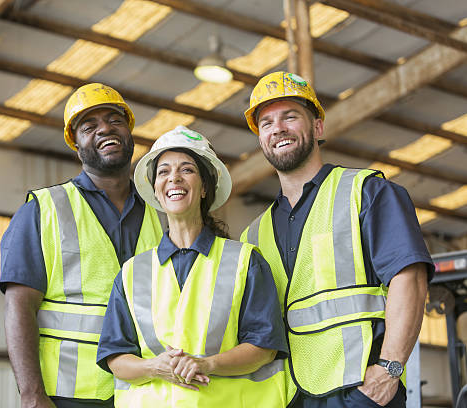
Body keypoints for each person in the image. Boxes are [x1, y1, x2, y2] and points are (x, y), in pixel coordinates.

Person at [240, 71, 433, 408]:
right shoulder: (253, 235)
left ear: (317, 127)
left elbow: (410, 279)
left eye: (290, 116)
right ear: (261, 139)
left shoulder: (367, 192)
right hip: (290, 396)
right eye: (267, 123)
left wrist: (389, 368)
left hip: (360, 391)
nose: (278, 128)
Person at [96, 125, 290, 407]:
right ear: (156, 192)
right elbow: (116, 358)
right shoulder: (131, 273)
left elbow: (264, 348)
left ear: (204, 188)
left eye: (186, 169)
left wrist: (207, 364)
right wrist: (154, 367)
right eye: (163, 172)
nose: (173, 177)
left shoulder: (245, 262)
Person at [0, 83, 166, 408]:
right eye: (89, 126)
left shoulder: (161, 214)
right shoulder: (44, 208)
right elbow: (19, 306)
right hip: (67, 393)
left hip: (144, 390)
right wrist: (32, 394)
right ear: (76, 144)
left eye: (114, 120)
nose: (105, 128)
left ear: (129, 131)